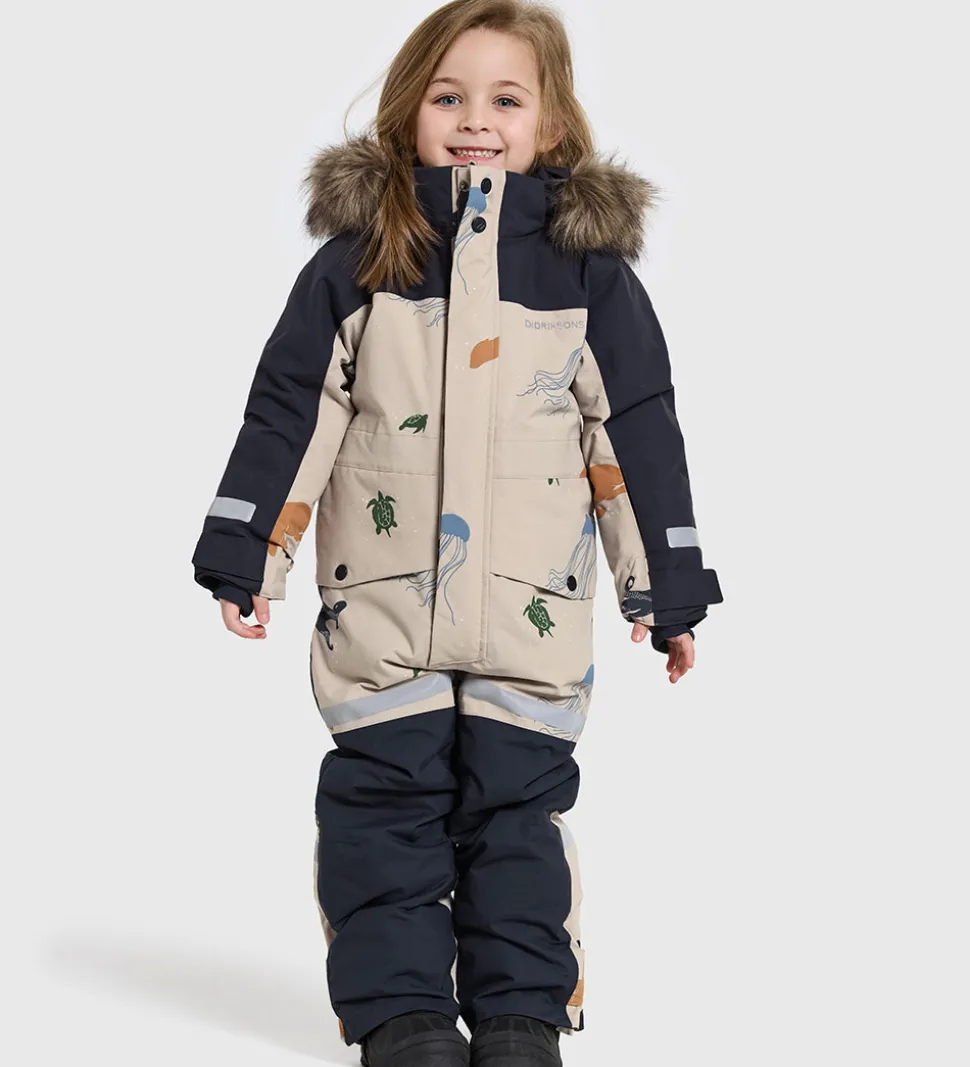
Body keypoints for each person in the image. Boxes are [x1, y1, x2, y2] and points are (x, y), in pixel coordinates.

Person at [191, 2, 722, 1064]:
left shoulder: (586, 276)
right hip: (382, 606)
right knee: (383, 813)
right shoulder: (358, 264)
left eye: (505, 99)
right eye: (449, 97)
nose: (476, 120)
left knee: (516, 820)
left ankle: (522, 1014)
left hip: (532, 612)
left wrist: (665, 582)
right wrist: (248, 548)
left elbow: (636, 432)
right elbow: (292, 411)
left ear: (552, 124)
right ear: (408, 114)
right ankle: (403, 1017)